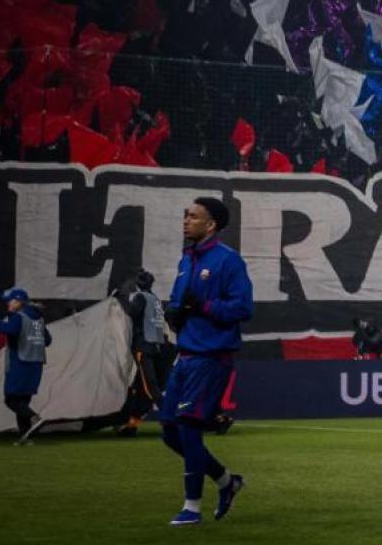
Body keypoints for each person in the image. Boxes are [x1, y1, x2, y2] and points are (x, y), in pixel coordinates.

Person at [157, 197, 252, 526]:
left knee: (188, 428)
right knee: (170, 432)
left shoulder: (228, 261)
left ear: (211, 225)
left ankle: (191, 508)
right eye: (186, 215)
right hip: (185, 354)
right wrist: (173, 312)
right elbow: (181, 300)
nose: (186, 221)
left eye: (193, 217)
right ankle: (227, 482)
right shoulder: (187, 259)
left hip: (211, 356)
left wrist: (205, 307)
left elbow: (243, 308)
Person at [0, 287, 50, 444]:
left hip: (20, 363)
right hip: (36, 365)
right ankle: (26, 436)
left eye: (10, 300)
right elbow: (47, 341)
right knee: (22, 401)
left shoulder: (18, 316)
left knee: (11, 400)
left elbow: (9, 330)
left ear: (19, 301)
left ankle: (34, 418)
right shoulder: (39, 319)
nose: (8, 303)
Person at [116, 270, 173, 435]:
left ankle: (169, 419)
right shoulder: (155, 299)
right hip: (156, 346)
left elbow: (131, 313)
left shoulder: (140, 298)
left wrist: (120, 299)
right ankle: (131, 425)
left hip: (144, 346)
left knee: (149, 387)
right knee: (139, 388)